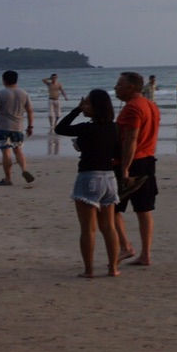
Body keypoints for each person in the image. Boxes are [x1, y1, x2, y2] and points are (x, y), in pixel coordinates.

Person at [57, 89, 122, 278]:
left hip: (89, 177)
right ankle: (113, 268)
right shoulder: (114, 128)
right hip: (109, 178)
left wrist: (76, 110)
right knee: (109, 227)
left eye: (86, 103)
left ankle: (89, 269)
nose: (84, 106)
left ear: (95, 107)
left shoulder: (86, 128)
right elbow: (117, 153)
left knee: (88, 229)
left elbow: (60, 128)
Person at [112, 71, 161, 267]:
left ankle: (126, 246)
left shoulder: (133, 108)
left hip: (133, 162)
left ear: (130, 87)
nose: (116, 88)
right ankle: (145, 254)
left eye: (119, 84)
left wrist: (124, 168)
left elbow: (131, 140)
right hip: (148, 160)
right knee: (143, 209)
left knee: (111, 207)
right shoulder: (151, 106)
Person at [0, 70, 35, 186]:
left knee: (6, 153)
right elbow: (30, 111)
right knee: (18, 151)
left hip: (3, 127)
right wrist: (30, 126)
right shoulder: (23, 93)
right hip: (18, 127)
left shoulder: (0, 93)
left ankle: (8, 179)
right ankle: (24, 170)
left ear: (4, 80)